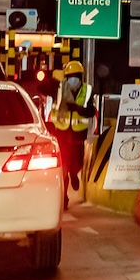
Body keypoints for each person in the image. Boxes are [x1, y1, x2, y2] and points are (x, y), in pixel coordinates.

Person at [52, 60, 95, 206]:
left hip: (77, 136)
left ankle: (74, 173)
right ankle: (63, 198)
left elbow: (91, 111)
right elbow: (41, 86)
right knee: (62, 169)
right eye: (70, 76)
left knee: (76, 164)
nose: (73, 78)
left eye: (76, 76)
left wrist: (79, 109)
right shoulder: (58, 89)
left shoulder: (87, 90)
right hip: (62, 136)